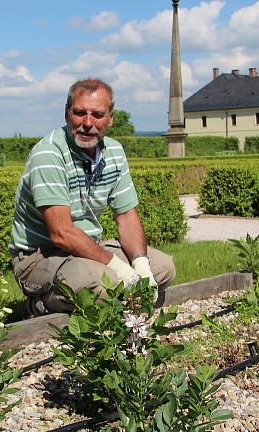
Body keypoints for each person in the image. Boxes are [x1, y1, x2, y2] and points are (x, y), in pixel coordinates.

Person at [10, 78, 175, 316]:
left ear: (110, 118)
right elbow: (61, 233)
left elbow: (127, 217)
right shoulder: (49, 154)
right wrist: (119, 267)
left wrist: (140, 266)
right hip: (40, 256)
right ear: (67, 113)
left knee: (162, 268)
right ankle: (38, 305)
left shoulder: (114, 152)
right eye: (79, 113)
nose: (88, 123)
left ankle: (111, 308)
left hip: (87, 248)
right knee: (104, 282)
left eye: (97, 115)